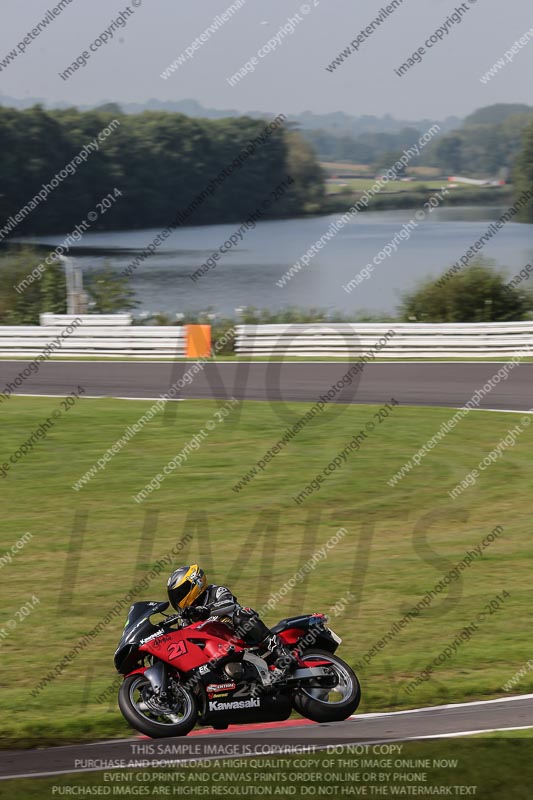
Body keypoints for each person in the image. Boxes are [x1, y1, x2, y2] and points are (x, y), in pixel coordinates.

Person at [166, 564, 297, 676]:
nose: (177, 599)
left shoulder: (216, 591)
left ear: (196, 583)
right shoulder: (187, 617)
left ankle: (281, 652)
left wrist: (203, 611)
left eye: (180, 593)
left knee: (243, 614)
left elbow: (228, 603)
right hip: (217, 652)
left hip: (241, 638)